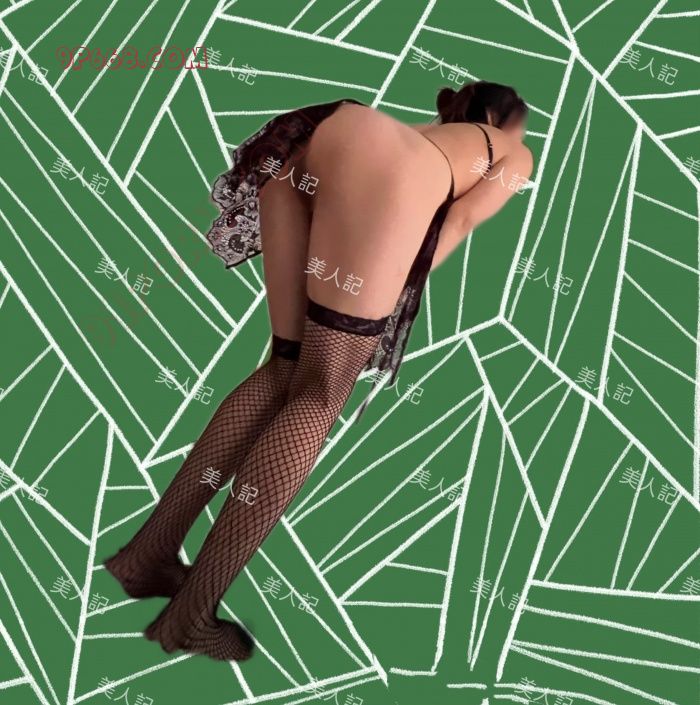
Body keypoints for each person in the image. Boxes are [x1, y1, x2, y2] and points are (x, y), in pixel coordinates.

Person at [103, 81, 533, 661]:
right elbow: (454, 226)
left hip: (319, 138)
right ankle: (190, 617)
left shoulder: (433, 131)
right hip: (382, 168)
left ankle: (146, 555)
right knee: (323, 391)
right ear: (505, 119)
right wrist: (385, 298)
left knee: (285, 367)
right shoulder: (512, 151)